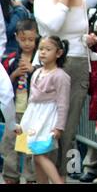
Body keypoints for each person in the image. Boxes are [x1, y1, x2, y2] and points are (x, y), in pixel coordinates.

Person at [34, 0, 97, 179]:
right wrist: (63, 0)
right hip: (51, 64)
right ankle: (44, 177)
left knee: (68, 129)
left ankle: (61, 177)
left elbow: (81, 31)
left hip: (78, 63)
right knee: (47, 126)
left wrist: (89, 39)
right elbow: (52, 27)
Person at [17, 36, 70, 184]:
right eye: (41, 49)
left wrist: (59, 126)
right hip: (34, 118)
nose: (43, 53)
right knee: (36, 157)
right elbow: (32, 100)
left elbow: (63, 103)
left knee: (40, 154)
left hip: (47, 119)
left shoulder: (60, 76)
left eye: (48, 49)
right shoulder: (37, 72)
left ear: (58, 53)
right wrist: (24, 123)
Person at [0, 19, 39, 184]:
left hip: (33, 109)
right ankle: (11, 176)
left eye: (31, 39)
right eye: (23, 39)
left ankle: (31, 177)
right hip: (15, 108)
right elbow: (3, 87)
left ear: (37, 37)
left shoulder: (40, 59)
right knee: (10, 143)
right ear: (16, 37)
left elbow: (45, 82)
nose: (28, 43)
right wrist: (15, 74)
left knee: (30, 144)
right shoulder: (10, 59)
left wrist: (33, 71)